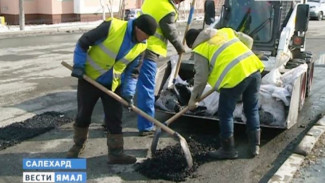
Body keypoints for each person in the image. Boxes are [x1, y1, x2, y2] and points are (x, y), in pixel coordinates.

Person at [67, 14, 157, 164]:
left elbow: (132, 72)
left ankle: (116, 153)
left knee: (115, 119)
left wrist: (128, 94)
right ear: (137, 28)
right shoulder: (112, 27)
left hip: (113, 84)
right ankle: (77, 145)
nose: (146, 38)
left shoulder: (142, 46)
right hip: (90, 79)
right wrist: (78, 65)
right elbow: (83, 42)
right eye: (145, 34)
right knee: (83, 114)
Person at [185, 27, 264, 159]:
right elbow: (248, 40)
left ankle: (228, 150)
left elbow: (201, 78)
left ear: (192, 43)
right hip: (253, 70)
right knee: (251, 109)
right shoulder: (224, 32)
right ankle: (255, 146)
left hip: (233, 78)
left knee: (225, 113)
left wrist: (193, 99)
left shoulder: (200, 49)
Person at [136, 0, 186, 136]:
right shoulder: (167, 9)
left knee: (127, 83)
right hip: (149, 50)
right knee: (147, 88)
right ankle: (146, 126)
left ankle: (110, 122)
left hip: (134, 45)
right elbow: (170, 31)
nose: (180, 2)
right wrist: (180, 48)